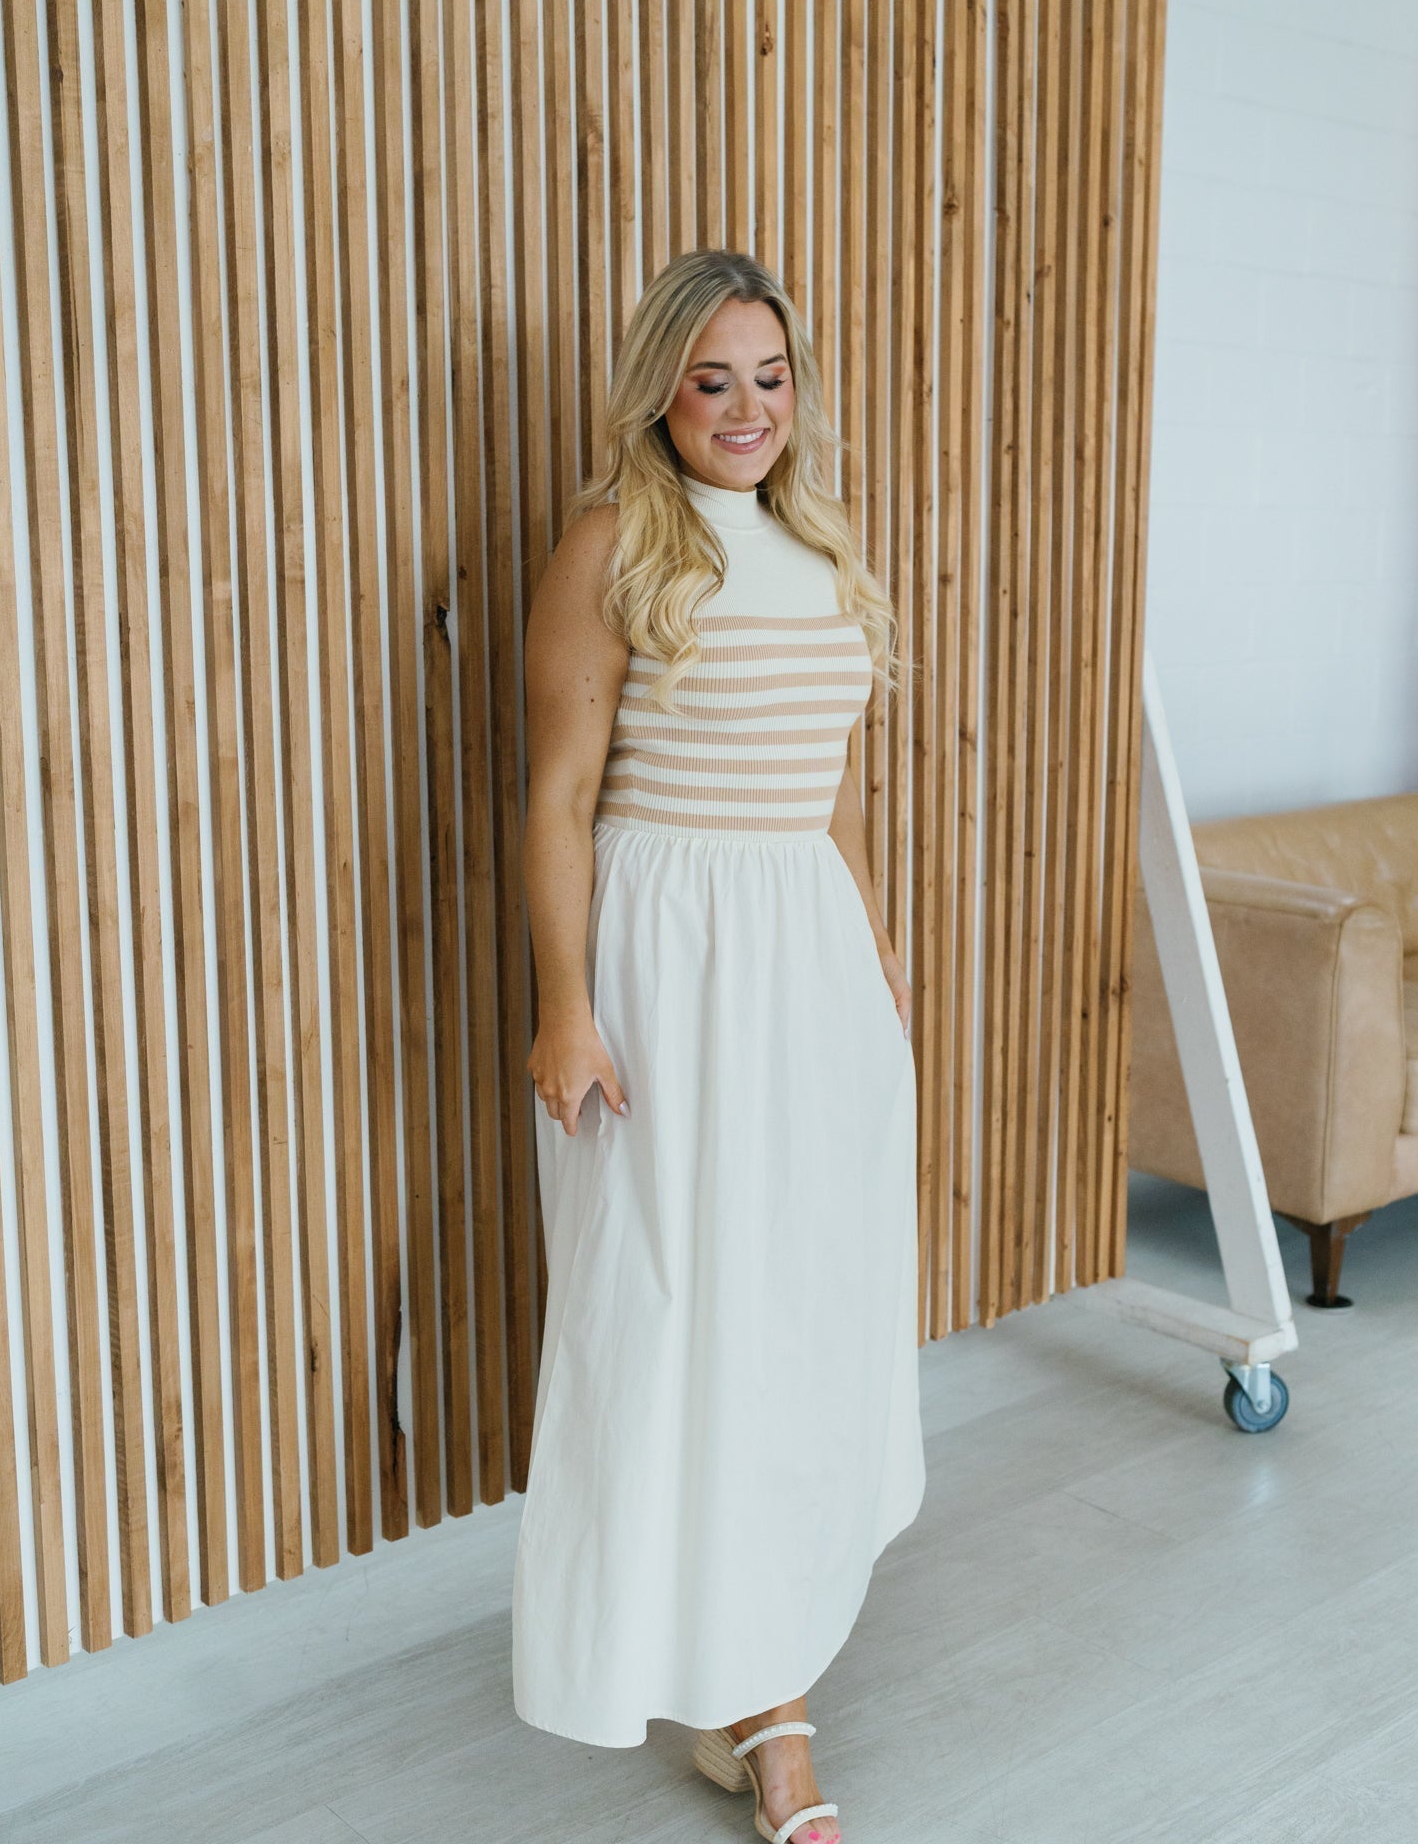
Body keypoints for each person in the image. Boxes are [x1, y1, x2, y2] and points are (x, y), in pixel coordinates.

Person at [512, 247, 925, 1844]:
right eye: (710, 380)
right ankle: (749, 1704)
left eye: (768, 375)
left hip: (802, 963)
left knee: (800, 1318)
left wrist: (868, 948)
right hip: (665, 966)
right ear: (660, 395)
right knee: (680, 1321)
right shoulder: (614, 541)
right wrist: (565, 1005)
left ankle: (768, 1671)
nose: (746, 408)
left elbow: (827, 781)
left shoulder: (820, 543)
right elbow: (558, 796)